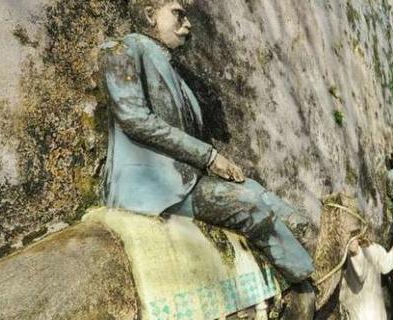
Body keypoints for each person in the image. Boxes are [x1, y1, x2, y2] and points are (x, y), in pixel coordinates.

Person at [98, 0, 313, 283]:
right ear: (150, 15)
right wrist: (209, 156)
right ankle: (303, 280)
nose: (187, 24)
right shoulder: (121, 50)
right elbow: (135, 119)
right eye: (178, 14)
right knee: (248, 203)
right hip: (151, 185)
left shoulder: (171, 69)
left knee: (262, 194)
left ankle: (311, 243)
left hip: (186, 179)